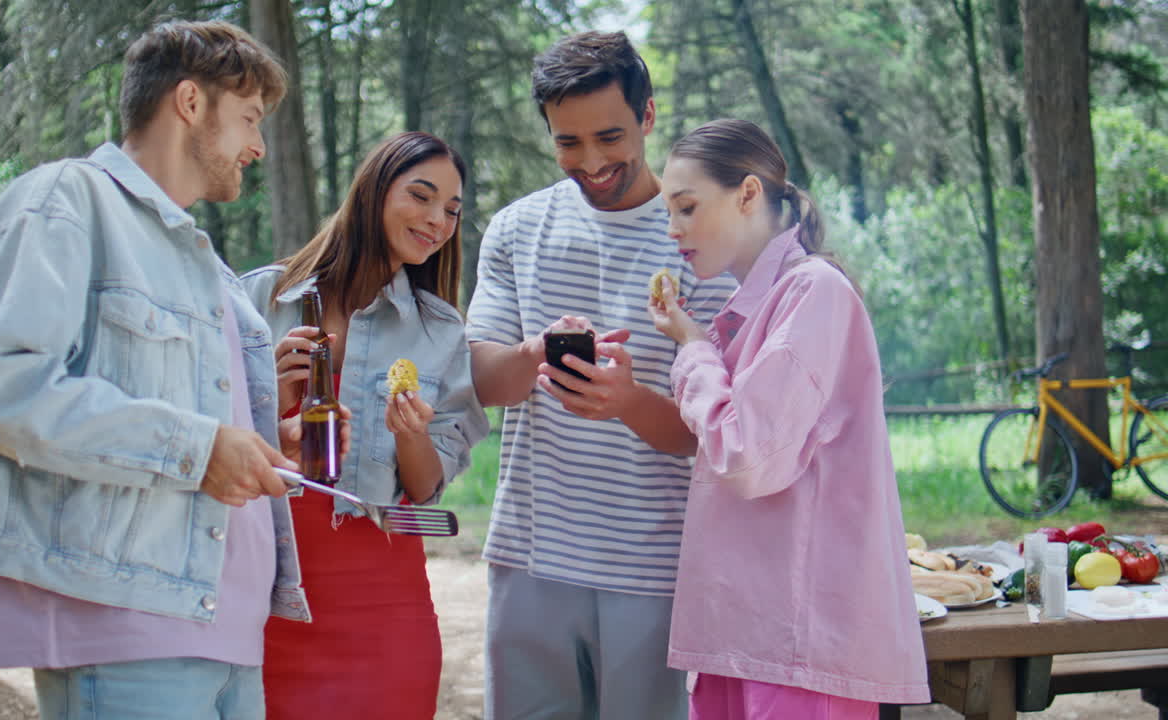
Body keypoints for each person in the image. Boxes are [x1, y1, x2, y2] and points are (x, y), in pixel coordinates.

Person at [0, 20, 348, 719]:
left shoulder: (204, 262)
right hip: (124, 629)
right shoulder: (64, 200)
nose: (257, 146)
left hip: (230, 632)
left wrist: (253, 444)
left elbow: (183, 425)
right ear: (190, 102)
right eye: (248, 118)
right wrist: (199, 448)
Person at [464, 31, 736, 719]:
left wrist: (630, 402)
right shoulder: (516, 230)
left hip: (657, 573)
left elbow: (715, 435)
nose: (590, 162)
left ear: (647, 116)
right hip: (529, 565)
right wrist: (535, 355)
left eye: (609, 136)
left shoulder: (703, 242)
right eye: (567, 143)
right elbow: (483, 382)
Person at [646, 118, 929, 719]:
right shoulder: (754, 307)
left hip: (800, 644)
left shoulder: (814, 292)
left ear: (748, 193)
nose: (673, 231)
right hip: (743, 637)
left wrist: (694, 349)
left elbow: (746, 454)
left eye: (687, 208)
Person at [241, 130, 490, 720]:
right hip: (263, 590)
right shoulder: (259, 296)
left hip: (384, 601)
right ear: (374, 191)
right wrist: (273, 395)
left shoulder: (440, 330)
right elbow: (212, 441)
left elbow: (427, 489)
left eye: (452, 211)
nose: (437, 221)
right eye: (422, 196)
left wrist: (411, 434)